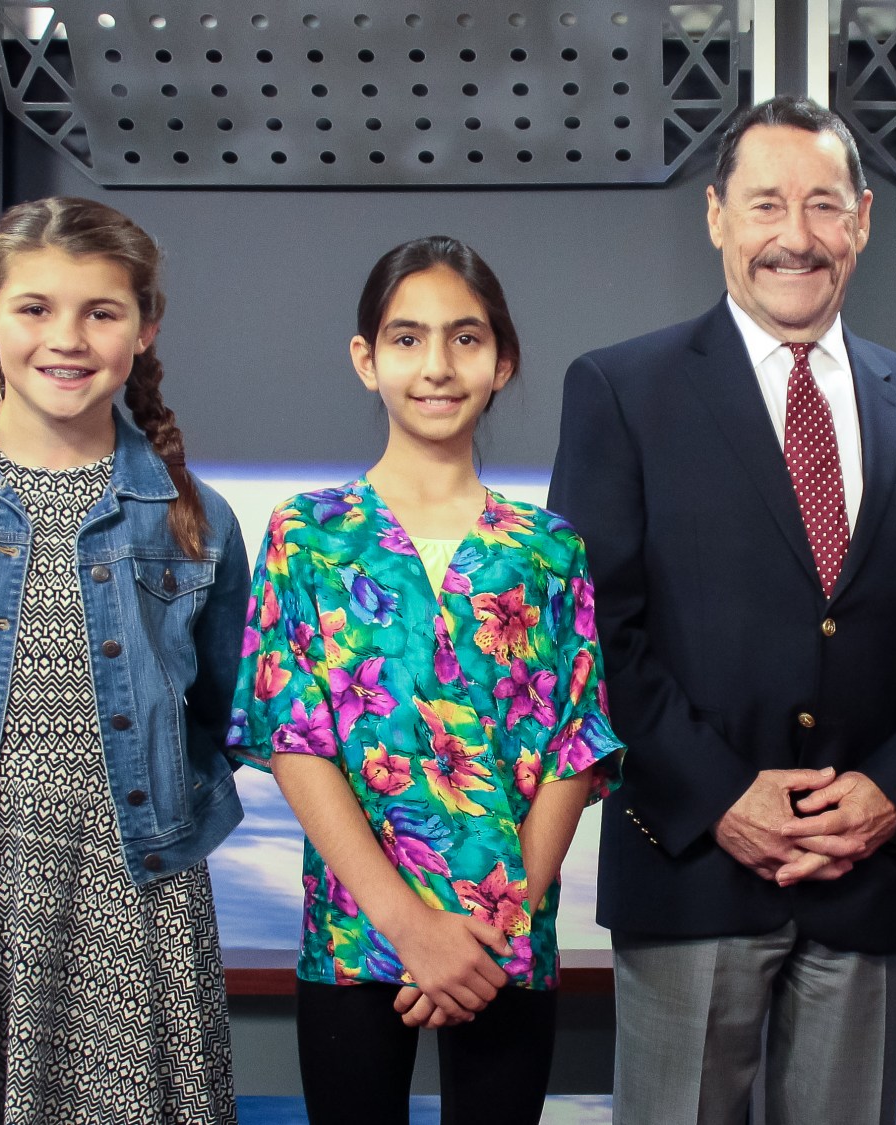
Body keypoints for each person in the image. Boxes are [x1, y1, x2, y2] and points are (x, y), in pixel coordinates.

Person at [547, 94, 896, 1125]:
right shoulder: (620, 391)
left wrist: (891, 793)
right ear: (715, 216)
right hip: (689, 866)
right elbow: (594, 633)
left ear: (863, 220)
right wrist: (718, 797)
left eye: (823, 206)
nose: (795, 237)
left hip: (866, 877)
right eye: (764, 205)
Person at [0, 197, 247, 1122]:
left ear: (143, 329)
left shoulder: (196, 517)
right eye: (34, 308)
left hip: (135, 886)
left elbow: (220, 717)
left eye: (101, 312)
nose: (67, 338)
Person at [229, 236, 622, 1125]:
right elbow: (294, 740)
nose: (436, 365)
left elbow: (576, 744)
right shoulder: (310, 534)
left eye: (465, 338)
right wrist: (412, 928)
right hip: (355, 932)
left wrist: (490, 926)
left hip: (507, 938)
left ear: (503, 360)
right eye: (407, 339)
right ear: (366, 360)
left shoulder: (549, 548)